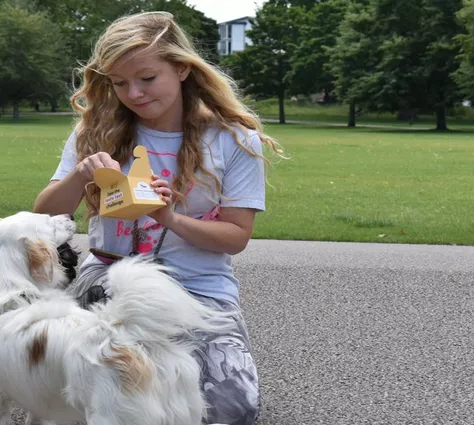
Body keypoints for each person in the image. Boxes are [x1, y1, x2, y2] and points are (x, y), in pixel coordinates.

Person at [33, 11, 286, 425]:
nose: (134, 93)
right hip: (110, 278)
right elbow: (43, 215)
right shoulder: (93, 133)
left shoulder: (233, 139)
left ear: (183, 67)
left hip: (199, 287)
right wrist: (81, 174)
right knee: (92, 391)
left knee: (230, 411)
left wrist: (168, 216)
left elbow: (236, 236)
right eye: (119, 82)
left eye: (147, 78)